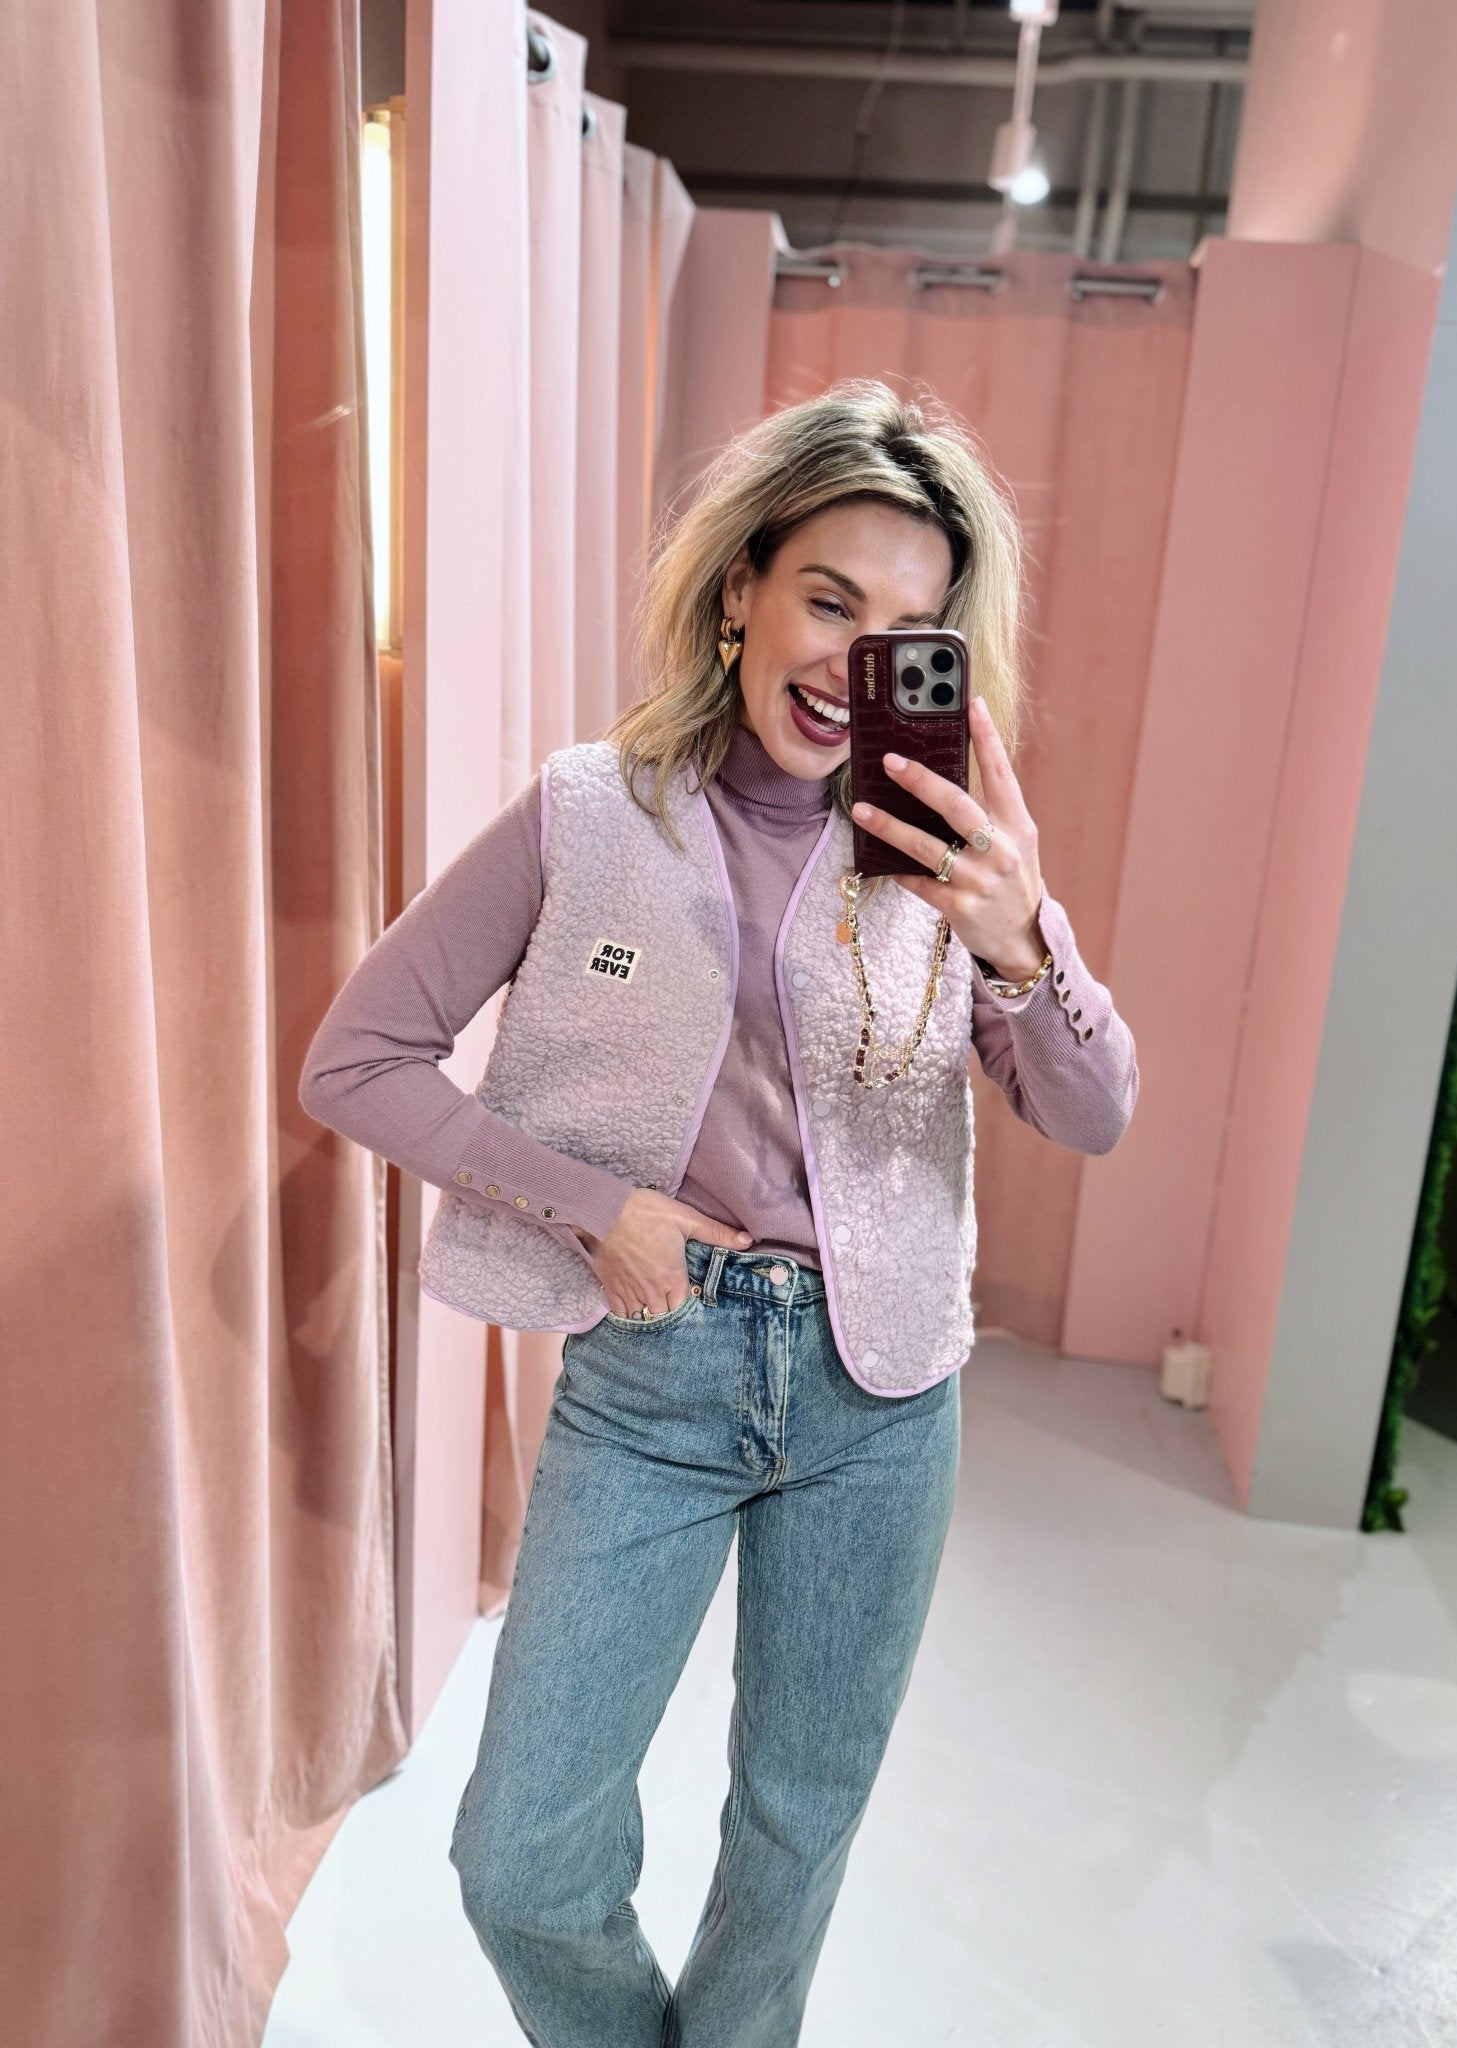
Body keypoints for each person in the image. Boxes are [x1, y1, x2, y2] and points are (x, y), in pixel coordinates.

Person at [298, 378, 1139, 2046]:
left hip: (880, 1399)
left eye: (907, 632)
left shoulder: (949, 858)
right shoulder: (588, 813)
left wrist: (1022, 937)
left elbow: (1093, 1110)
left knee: (791, 1840)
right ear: (742, 585)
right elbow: (356, 1061)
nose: (852, 660)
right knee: (522, 1854)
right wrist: (594, 1206)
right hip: (657, 1372)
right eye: (829, 599)